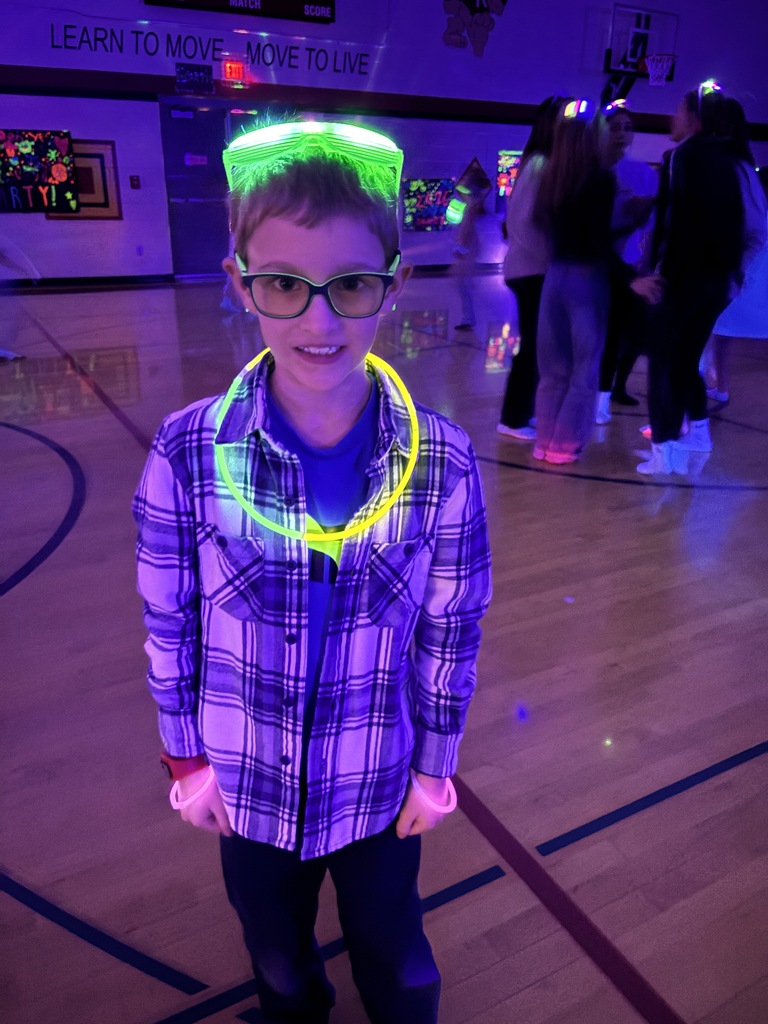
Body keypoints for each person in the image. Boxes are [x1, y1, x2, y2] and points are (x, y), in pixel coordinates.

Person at [132, 119, 492, 1024]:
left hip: (378, 781)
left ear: (395, 283)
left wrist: (435, 767)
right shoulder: (185, 454)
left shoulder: (441, 463)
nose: (320, 321)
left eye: (352, 286)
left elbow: (452, 626)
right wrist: (186, 758)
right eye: (285, 285)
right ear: (240, 284)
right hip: (246, 782)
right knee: (279, 963)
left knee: (398, 962)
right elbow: (168, 620)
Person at [532, 99, 662, 465]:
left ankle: (544, 442)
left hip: (555, 278)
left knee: (553, 370)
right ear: (593, 135)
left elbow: (564, 233)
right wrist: (630, 276)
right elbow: (595, 242)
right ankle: (565, 446)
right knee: (583, 371)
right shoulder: (601, 178)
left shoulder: (551, 176)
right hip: (587, 280)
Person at [638, 82, 746, 475]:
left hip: (683, 277)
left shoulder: (681, 156)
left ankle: (663, 450)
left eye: (677, 111)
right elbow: (734, 223)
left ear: (692, 117)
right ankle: (694, 436)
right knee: (686, 361)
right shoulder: (728, 159)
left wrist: (657, 273)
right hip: (717, 282)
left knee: (663, 361)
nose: (672, 118)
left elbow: (674, 221)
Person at [497, 95, 569, 440]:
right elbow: (522, 222)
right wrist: (551, 258)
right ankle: (512, 418)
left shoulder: (545, 163)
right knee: (534, 346)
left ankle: (522, 412)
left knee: (541, 345)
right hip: (532, 272)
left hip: (533, 270)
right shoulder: (540, 164)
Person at [595, 100, 659, 423]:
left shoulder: (643, 173)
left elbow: (650, 225)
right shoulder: (595, 169)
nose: (621, 133)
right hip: (599, 264)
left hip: (631, 263)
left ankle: (617, 386)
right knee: (603, 332)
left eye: (627, 127)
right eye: (615, 126)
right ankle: (600, 394)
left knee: (631, 331)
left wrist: (644, 264)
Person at [702, 109, 768, 402]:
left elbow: (754, 229)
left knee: (713, 325)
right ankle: (717, 386)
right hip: (728, 263)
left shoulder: (739, 171)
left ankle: (694, 418)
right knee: (719, 328)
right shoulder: (736, 169)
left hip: (730, 264)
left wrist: (737, 267)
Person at [451, 166, 492, 331]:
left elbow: (467, 232)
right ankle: (468, 318)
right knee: (464, 285)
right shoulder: (471, 206)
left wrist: (460, 249)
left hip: (467, 252)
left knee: (464, 286)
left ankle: (468, 319)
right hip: (469, 252)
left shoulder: (471, 207)